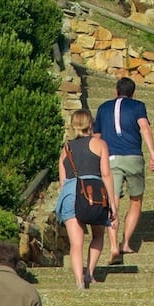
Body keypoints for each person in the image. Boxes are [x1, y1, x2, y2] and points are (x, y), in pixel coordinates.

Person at [93, 78, 154, 265]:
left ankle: (113, 246)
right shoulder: (138, 106)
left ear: (116, 91)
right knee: (135, 201)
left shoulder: (103, 108)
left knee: (112, 203)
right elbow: (144, 127)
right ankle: (126, 243)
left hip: (111, 158)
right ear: (133, 92)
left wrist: (96, 160)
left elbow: (96, 136)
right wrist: (152, 154)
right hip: (133, 157)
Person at [55, 110, 113, 289]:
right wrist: (112, 203)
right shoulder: (99, 144)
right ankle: (89, 273)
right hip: (94, 193)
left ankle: (79, 281)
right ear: (91, 123)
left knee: (76, 243)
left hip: (70, 193)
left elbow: (62, 180)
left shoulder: (66, 149)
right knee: (98, 235)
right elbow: (106, 174)